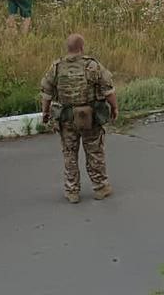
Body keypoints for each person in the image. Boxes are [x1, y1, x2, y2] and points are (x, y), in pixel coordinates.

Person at [40, 33, 118, 204]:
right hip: (90, 117)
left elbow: (46, 93)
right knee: (94, 152)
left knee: (69, 153)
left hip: (66, 119)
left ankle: (72, 191)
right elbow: (108, 90)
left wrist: (45, 113)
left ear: (67, 48)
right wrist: (114, 108)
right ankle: (100, 187)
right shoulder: (92, 65)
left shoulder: (57, 67)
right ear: (82, 48)